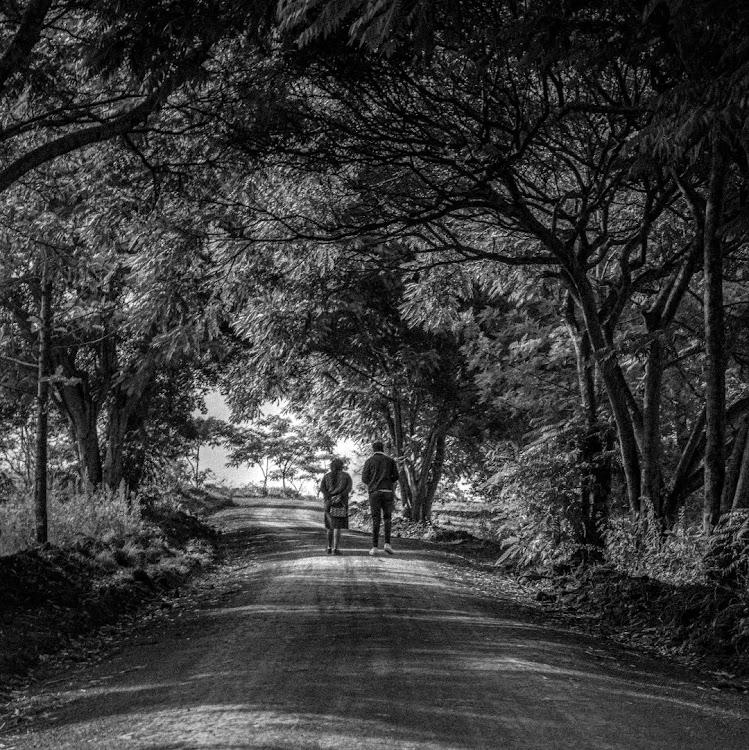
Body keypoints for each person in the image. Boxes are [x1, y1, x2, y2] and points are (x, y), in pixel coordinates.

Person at [361, 440, 399, 556]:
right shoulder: (390, 461)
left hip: (374, 492)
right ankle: (387, 544)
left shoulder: (369, 461)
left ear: (373, 449)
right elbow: (396, 476)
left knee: (376, 519)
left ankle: (374, 547)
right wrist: (388, 482)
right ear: (383, 449)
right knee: (387, 518)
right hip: (387, 491)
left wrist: (372, 484)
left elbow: (364, 478)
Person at [319, 457, 352, 555]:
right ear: (341, 466)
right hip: (341, 503)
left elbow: (322, 488)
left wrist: (330, 496)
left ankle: (329, 547)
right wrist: (340, 496)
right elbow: (348, 488)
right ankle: (335, 549)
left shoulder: (326, 476)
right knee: (337, 526)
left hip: (328, 503)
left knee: (330, 526)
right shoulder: (346, 476)